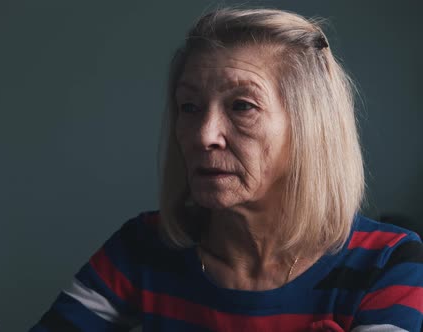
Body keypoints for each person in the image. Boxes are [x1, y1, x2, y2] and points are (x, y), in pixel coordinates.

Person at [29, 7, 423, 332]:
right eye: (189, 107)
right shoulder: (141, 248)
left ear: (309, 129)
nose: (204, 136)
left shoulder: (390, 262)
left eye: (242, 106)